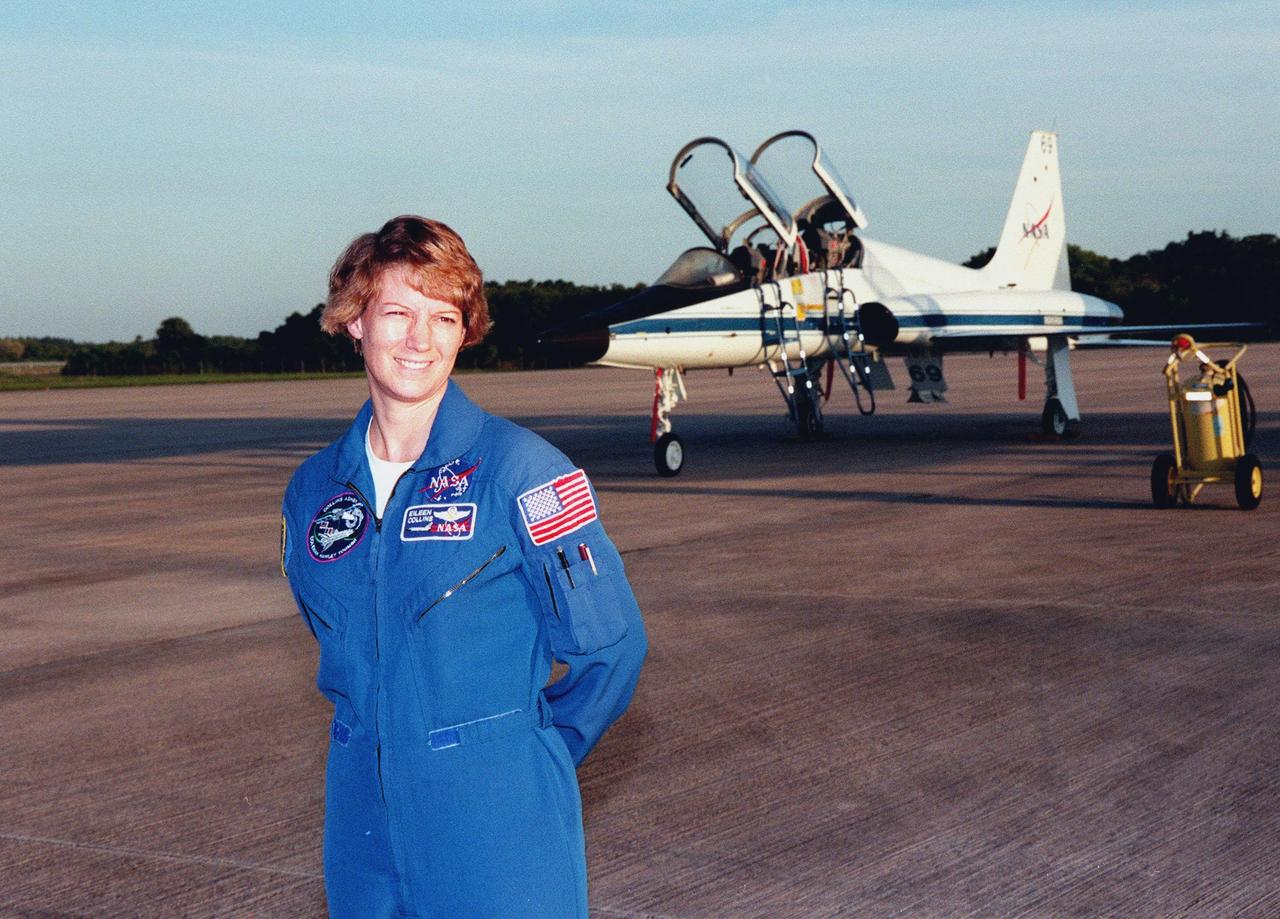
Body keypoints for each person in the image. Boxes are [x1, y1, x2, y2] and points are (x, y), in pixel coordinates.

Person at [280, 215, 647, 917]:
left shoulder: (524, 472)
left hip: (497, 830)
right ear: (355, 321)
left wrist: (518, 758)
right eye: (398, 313)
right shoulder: (313, 491)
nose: (420, 339)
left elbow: (614, 648)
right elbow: (336, 630)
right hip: (361, 825)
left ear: (464, 331)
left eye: (443, 317)